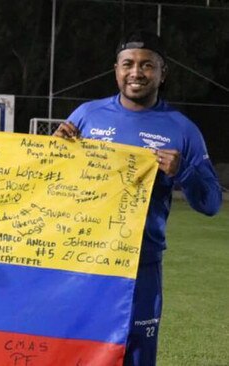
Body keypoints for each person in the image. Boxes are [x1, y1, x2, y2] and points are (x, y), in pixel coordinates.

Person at [53, 30, 223, 365]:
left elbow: (212, 204)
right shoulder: (87, 115)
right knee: (75, 350)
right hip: (81, 260)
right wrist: (56, 152)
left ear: (162, 73)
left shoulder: (182, 129)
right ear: (116, 69)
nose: (136, 72)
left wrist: (182, 170)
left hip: (140, 265)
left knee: (137, 353)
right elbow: (55, 186)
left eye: (147, 65)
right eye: (128, 64)